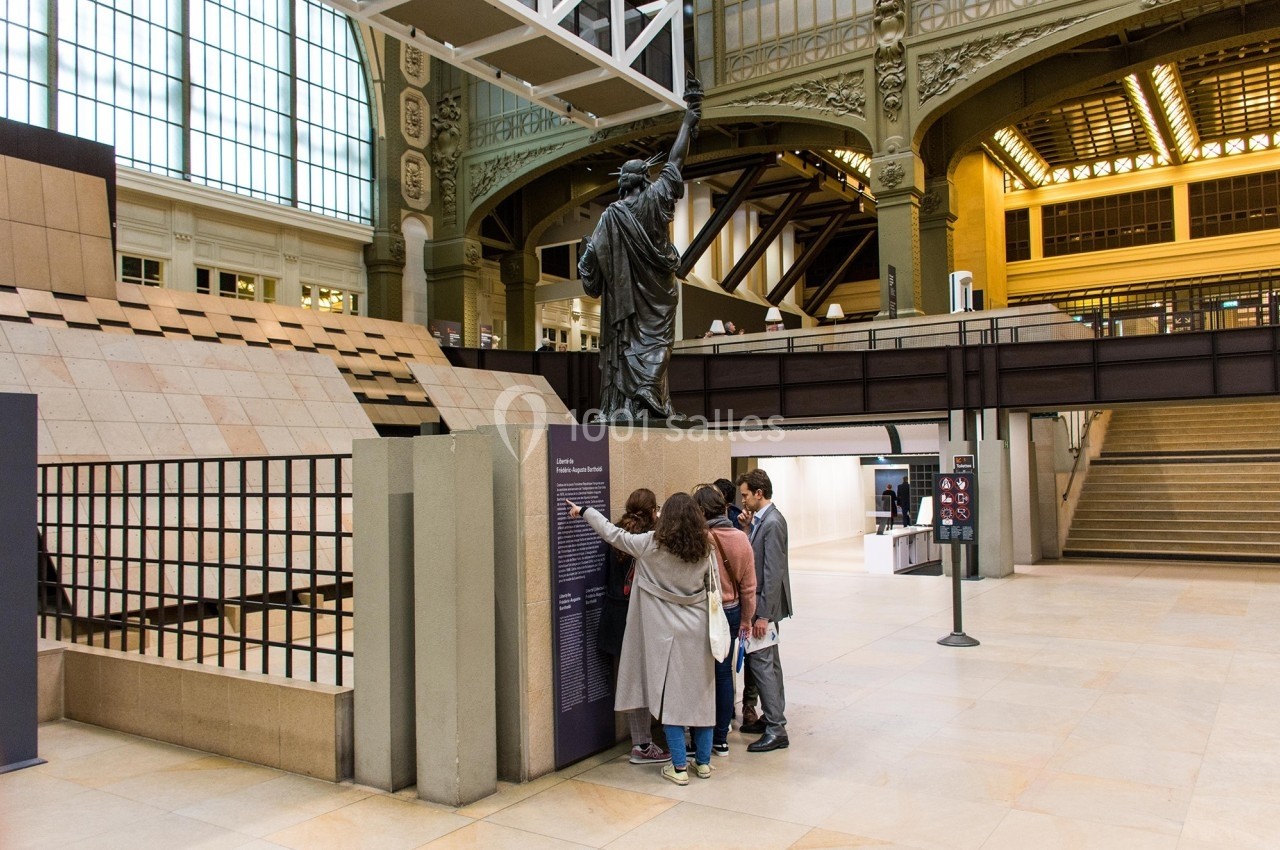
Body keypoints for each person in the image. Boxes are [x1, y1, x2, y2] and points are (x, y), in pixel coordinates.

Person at [566, 492, 716, 784]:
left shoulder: (649, 545)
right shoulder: (706, 547)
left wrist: (584, 510)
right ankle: (705, 763)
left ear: (666, 517)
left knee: (670, 700)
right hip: (698, 629)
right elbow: (713, 589)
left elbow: (612, 533)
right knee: (701, 696)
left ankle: (679, 768)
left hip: (663, 633)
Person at [577, 74, 702, 422]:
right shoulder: (657, 196)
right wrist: (688, 121)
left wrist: (585, 258)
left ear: (623, 182)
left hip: (626, 302)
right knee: (660, 343)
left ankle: (631, 399)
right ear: (644, 178)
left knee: (630, 343)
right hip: (659, 291)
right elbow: (676, 162)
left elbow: (588, 267)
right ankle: (647, 392)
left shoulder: (611, 216)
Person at [596, 488, 670, 765]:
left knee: (631, 682)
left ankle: (641, 741)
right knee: (644, 684)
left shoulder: (617, 533)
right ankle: (643, 744)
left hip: (613, 615)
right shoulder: (648, 540)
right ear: (653, 510)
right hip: (638, 616)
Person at [693, 484, 755, 757]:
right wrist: (746, 620)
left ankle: (701, 739)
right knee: (724, 674)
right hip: (732, 611)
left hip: (706, 612)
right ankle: (721, 738)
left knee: (702, 677)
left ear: (702, 510)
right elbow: (749, 586)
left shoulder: (701, 538)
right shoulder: (742, 538)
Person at [736, 469, 793, 752]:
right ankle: (773, 718)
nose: (743, 500)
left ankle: (776, 728)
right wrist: (747, 530)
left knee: (762, 665)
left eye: (745, 495)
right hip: (764, 607)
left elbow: (772, 572)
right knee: (770, 664)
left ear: (759, 493)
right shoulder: (762, 521)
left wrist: (762, 615)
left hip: (763, 608)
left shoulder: (772, 522)